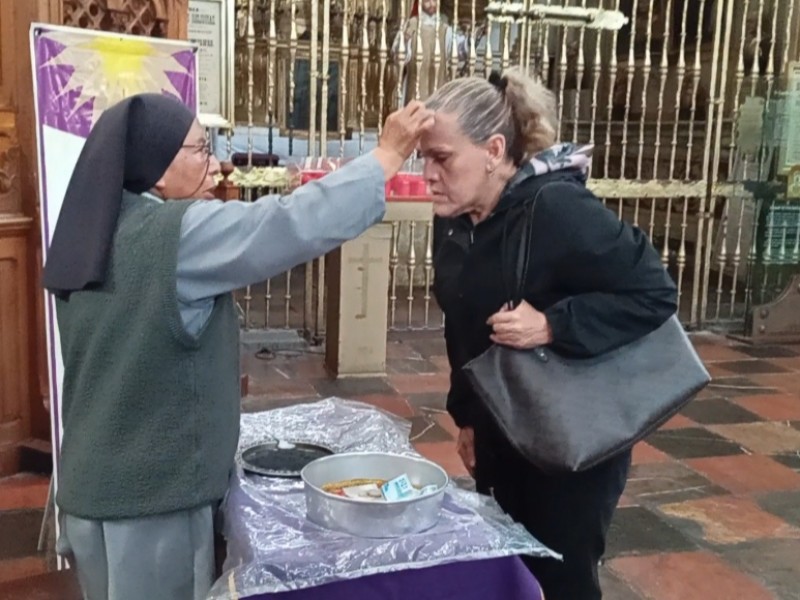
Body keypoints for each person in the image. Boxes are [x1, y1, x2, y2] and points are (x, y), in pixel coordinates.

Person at [43, 92, 434, 600]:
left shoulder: (94, 230)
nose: (216, 164)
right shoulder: (172, 235)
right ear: (157, 169)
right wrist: (385, 156)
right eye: (200, 150)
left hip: (92, 483)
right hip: (151, 500)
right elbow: (285, 223)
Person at [422, 69, 678, 600]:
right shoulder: (454, 220)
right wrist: (466, 417)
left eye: (441, 157)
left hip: (569, 443)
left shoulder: (557, 209)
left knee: (560, 579)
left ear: (494, 149)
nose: (427, 174)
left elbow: (653, 294)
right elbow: (462, 325)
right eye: (422, 157)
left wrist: (552, 324)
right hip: (502, 429)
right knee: (509, 570)